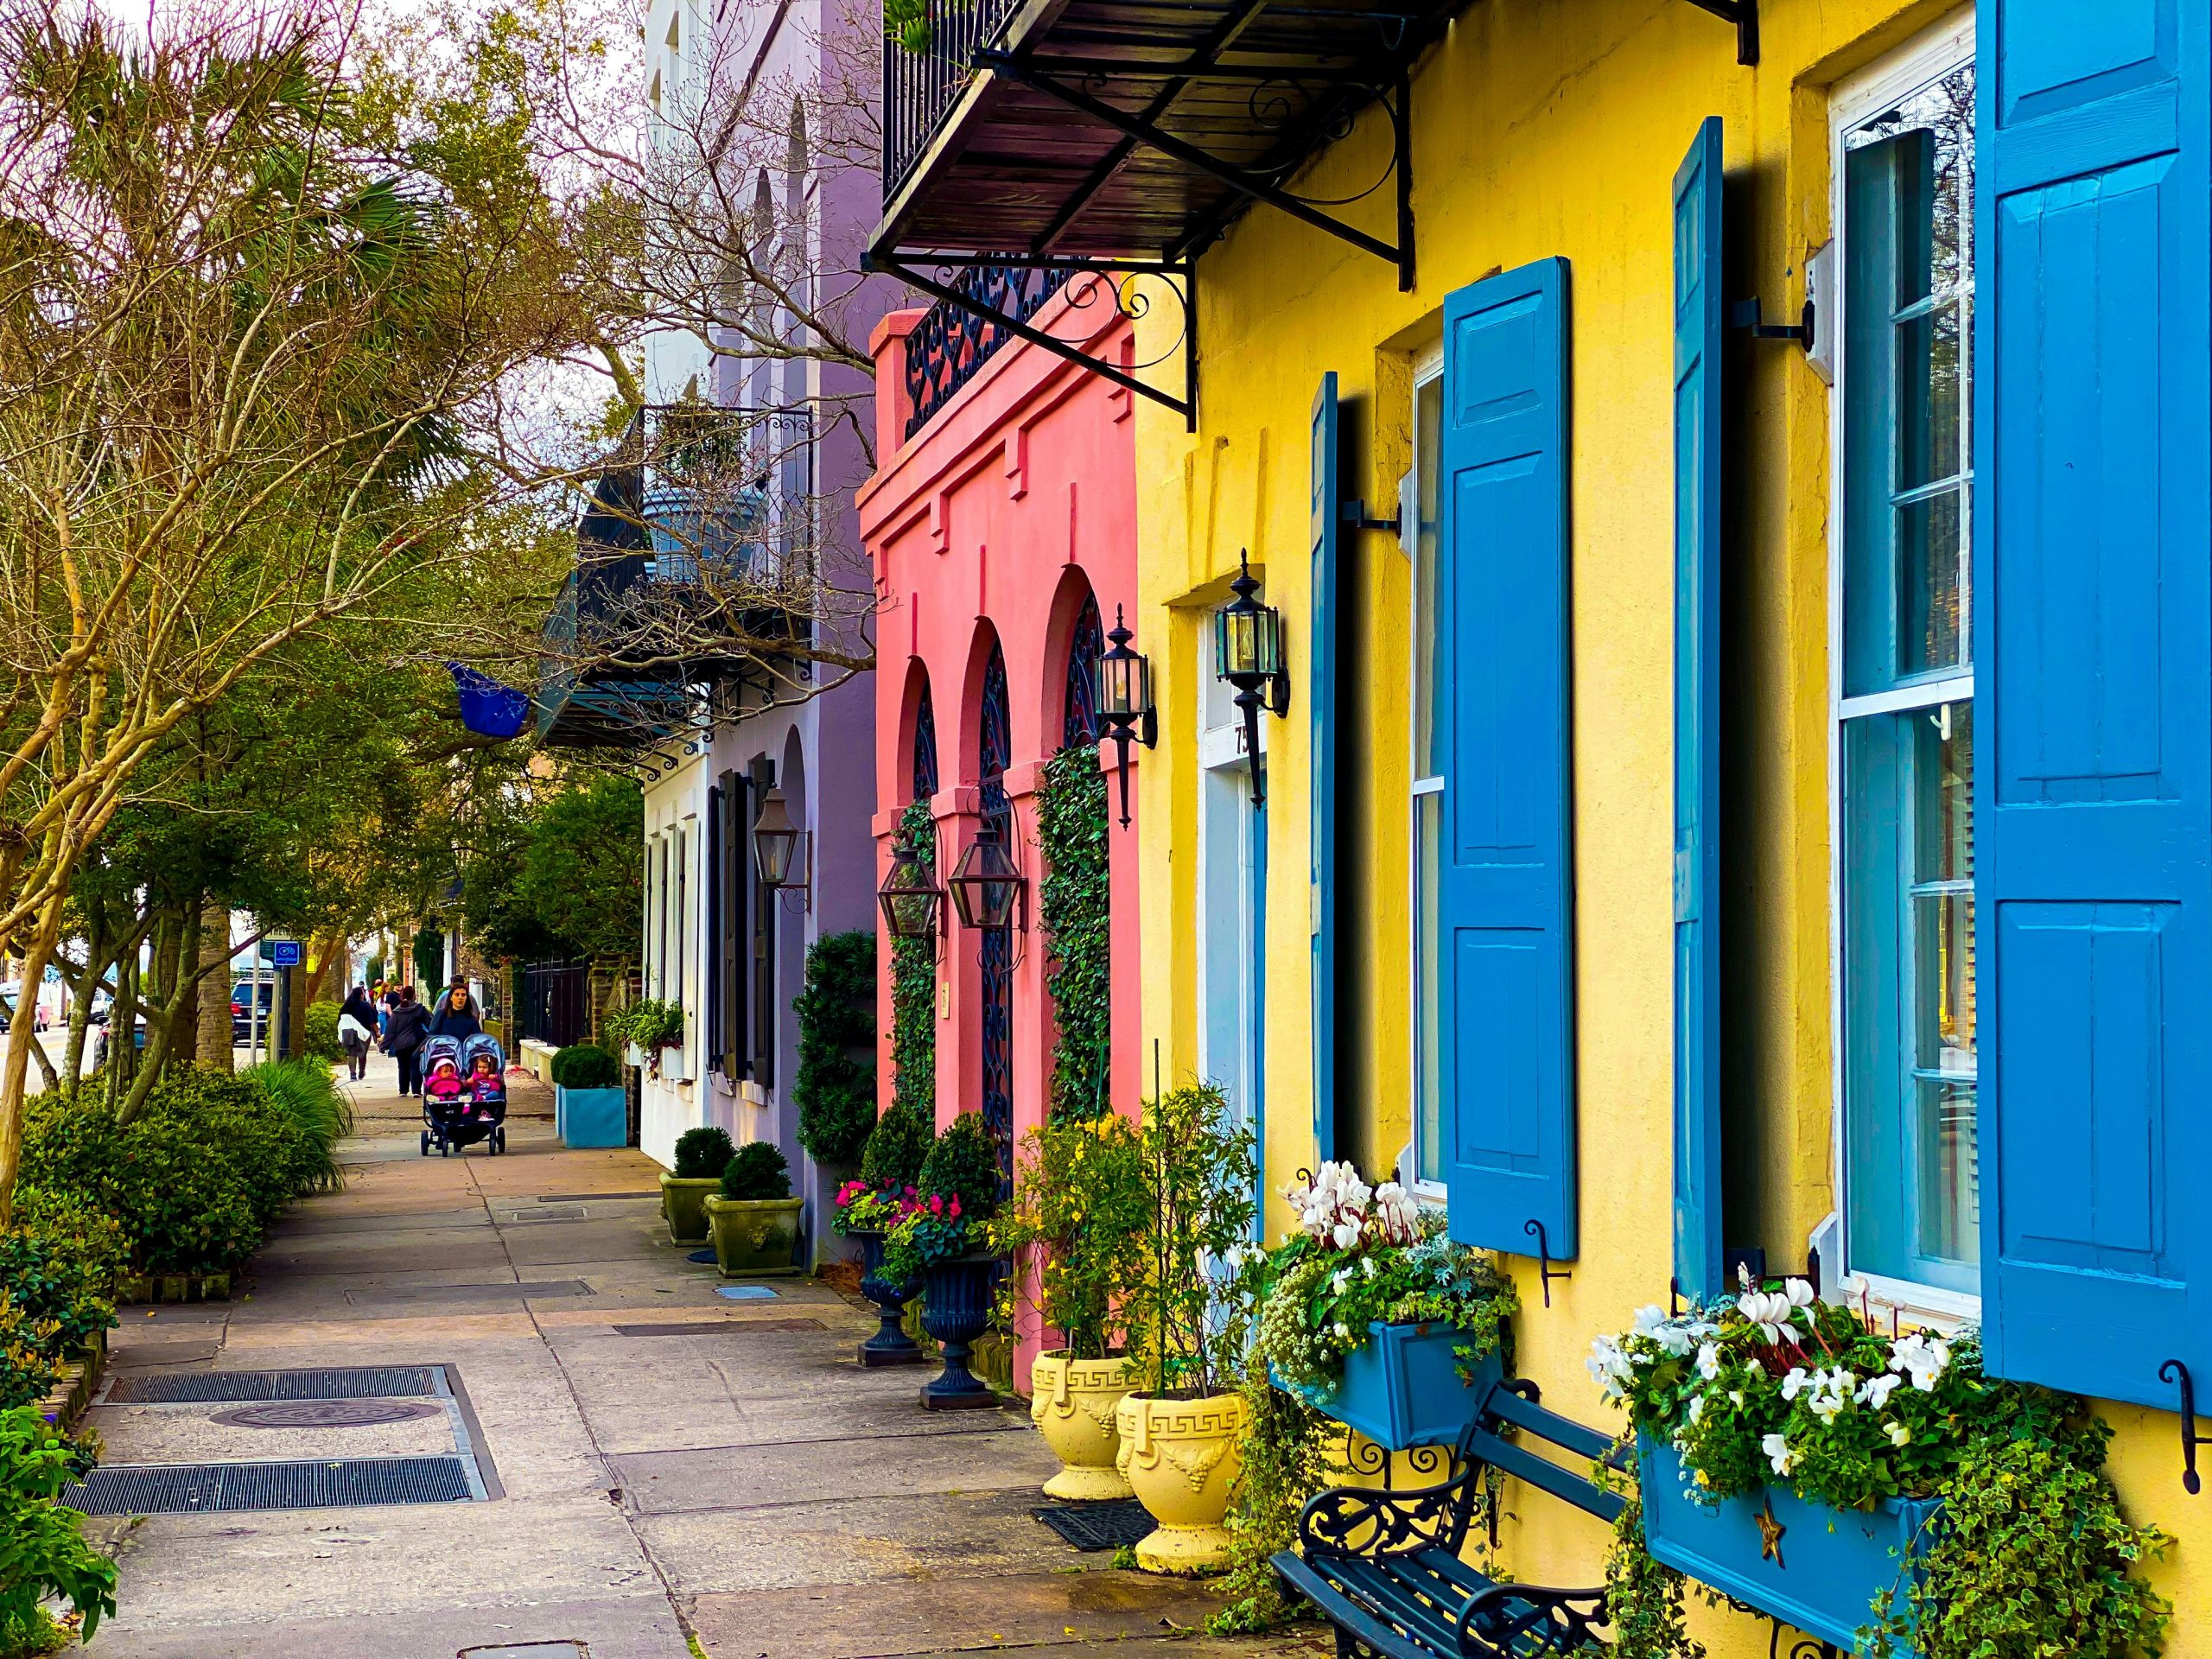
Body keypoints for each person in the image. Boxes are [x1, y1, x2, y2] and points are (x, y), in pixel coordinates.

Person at [383, 986, 431, 1096]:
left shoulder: (397, 1012)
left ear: (402, 996)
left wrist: (384, 1045)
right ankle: (416, 1091)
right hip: (416, 1042)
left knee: (402, 1066)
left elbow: (390, 1030)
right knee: (416, 1065)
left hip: (400, 1044)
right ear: (414, 995)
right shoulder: (419, 1009)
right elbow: (431, 1023)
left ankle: (403, 1091)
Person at [336, 984, 378, 1083]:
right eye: (363, 994)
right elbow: (372, 1021)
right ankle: (361, 1071)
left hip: (349, 1032)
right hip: (364, 1033)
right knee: (362, 1053)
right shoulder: (365, 1005)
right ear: (361, 995)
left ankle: (353, 1074)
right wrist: (377, 1032)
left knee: (352, 1053)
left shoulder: (345, 1006)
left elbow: (339, 1020)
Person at [426, 975, 482, 1041]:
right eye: (457, 994)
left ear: (466, 998)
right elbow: (432, 1033)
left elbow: (479, 1039)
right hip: (443, 1049)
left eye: (463, 995)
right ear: (451, 997)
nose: (460, 997)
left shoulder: (471, 1019)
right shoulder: (441, 1014)